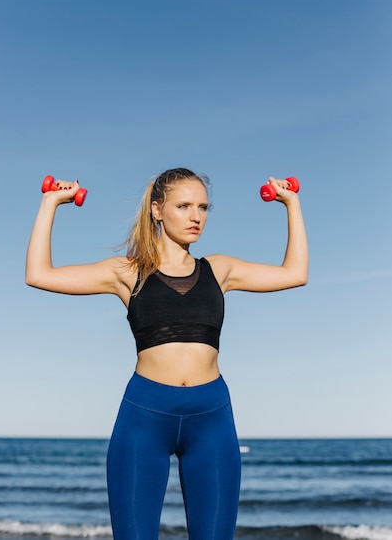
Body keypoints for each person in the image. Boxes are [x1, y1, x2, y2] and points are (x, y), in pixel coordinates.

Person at [25, 167, 308, 540]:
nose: (196, 217)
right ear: (158, 210)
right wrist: (50, 204)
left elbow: (295, 273)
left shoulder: (220, 270)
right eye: (184, 206)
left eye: (203, 207)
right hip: (145, 416)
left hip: (211, 417)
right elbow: (39, 274)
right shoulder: (127, 272)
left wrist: (292, 203)